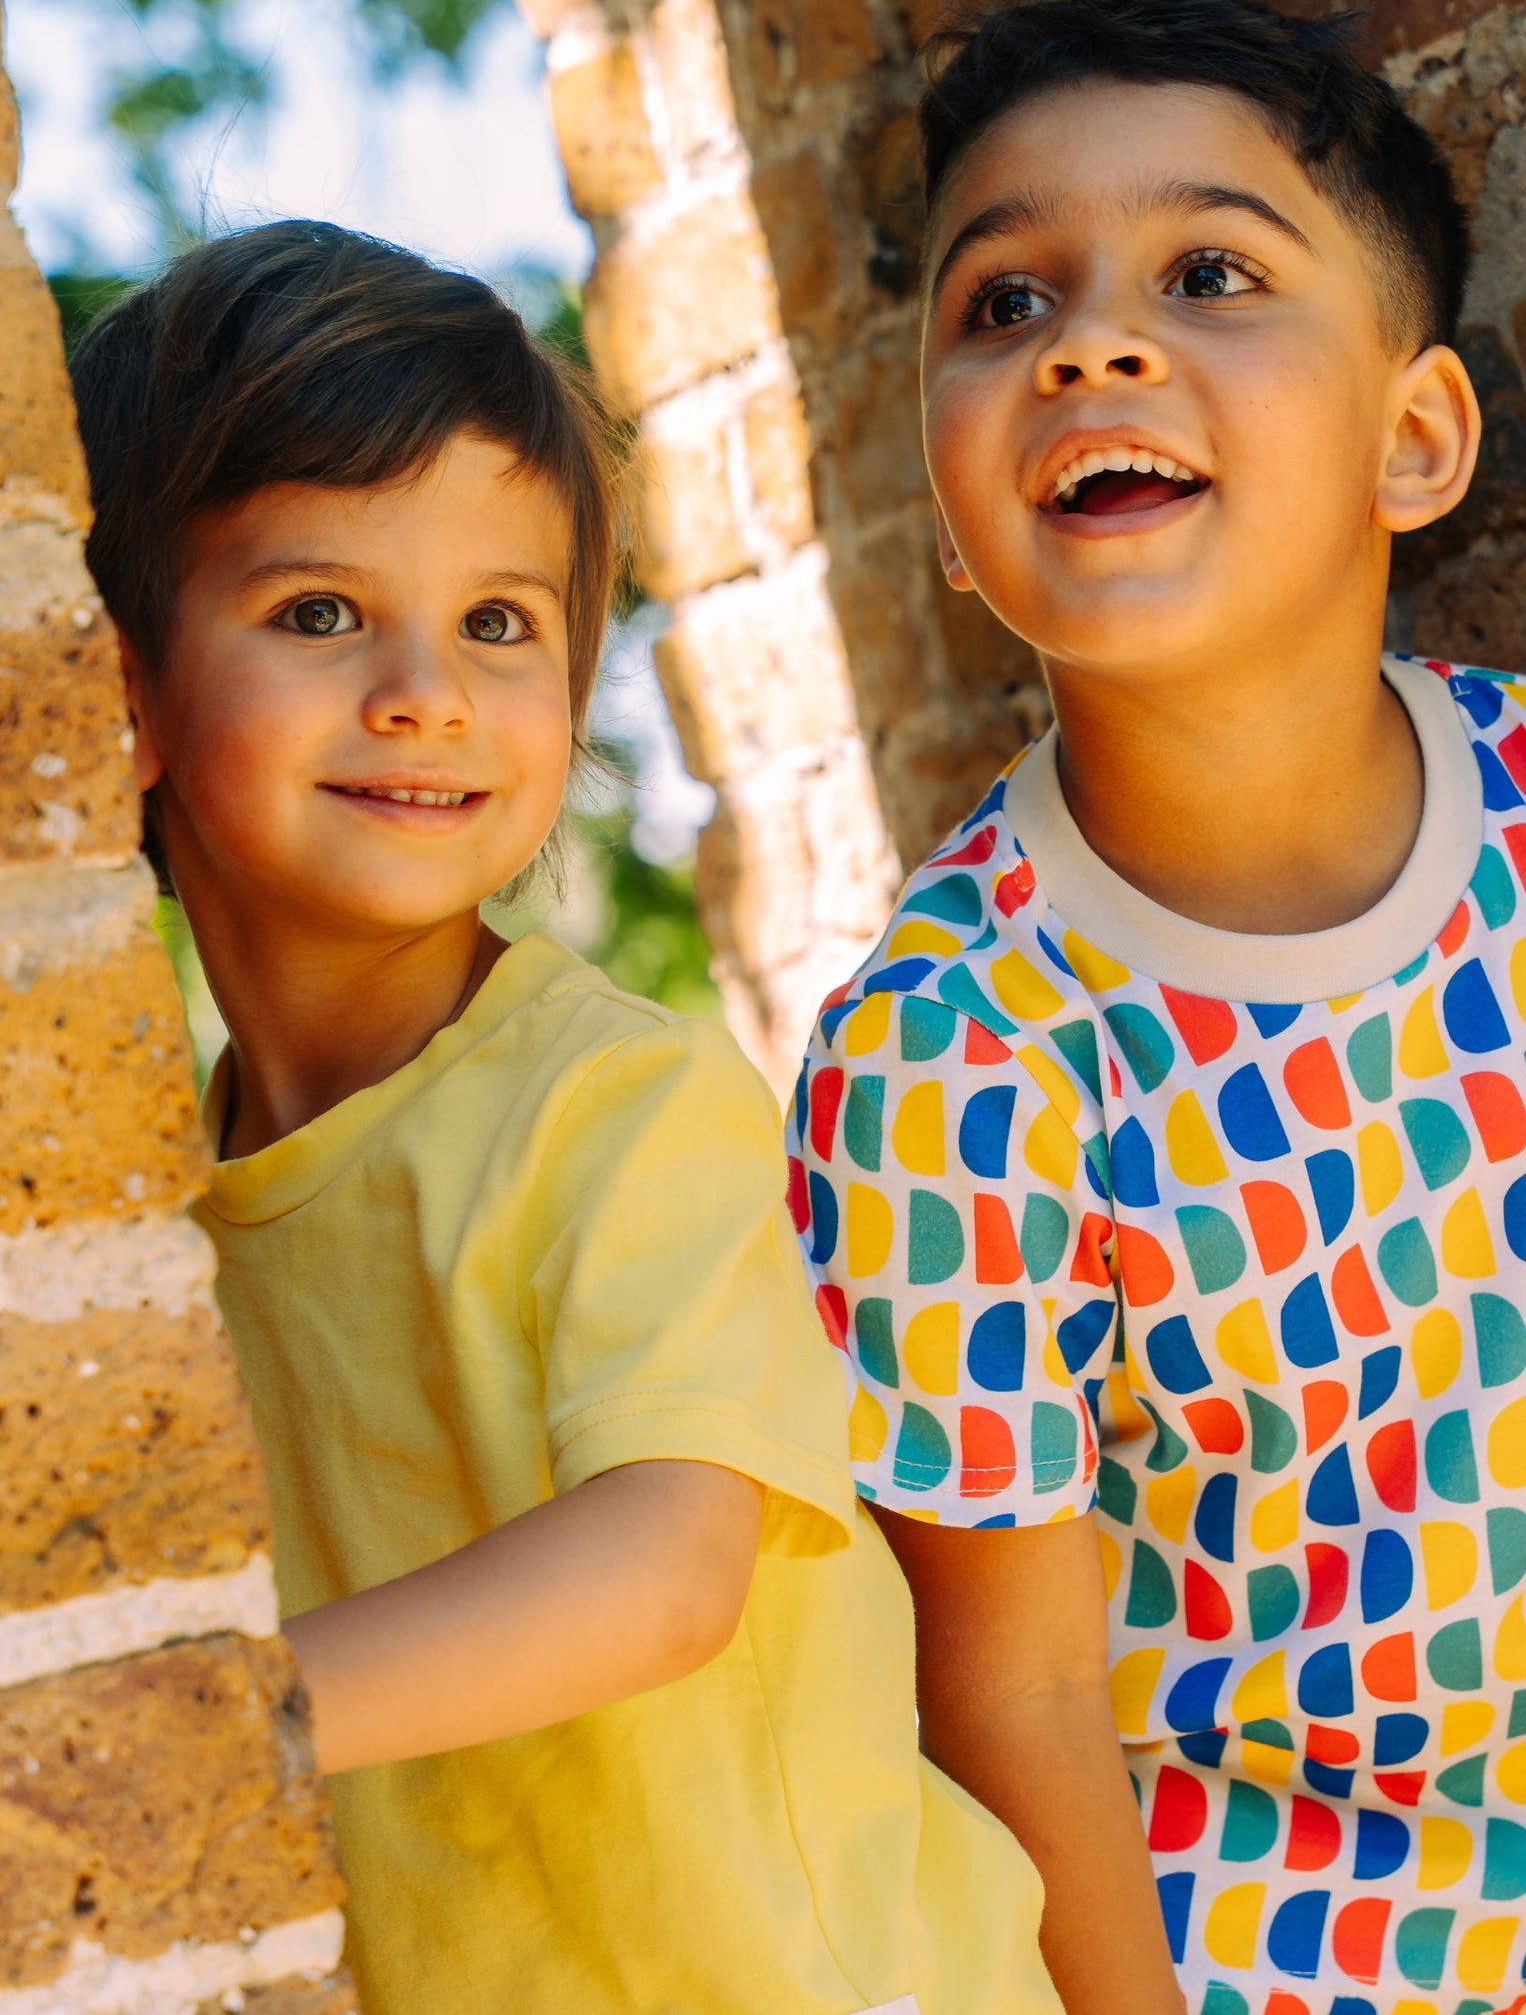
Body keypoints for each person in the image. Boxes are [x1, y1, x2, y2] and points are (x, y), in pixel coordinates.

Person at [788, 0, 1526, 2015]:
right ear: (948, 493)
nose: (1086, 341)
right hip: (1231, 1966)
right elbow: (1019, 1686)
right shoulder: (944, 1056)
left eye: (1207, 270)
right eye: (1002, 306)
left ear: (1410, 438)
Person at [70, 220, 1060, 2015]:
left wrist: (215, 1719)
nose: (423, 691)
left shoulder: (617, 1105)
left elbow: (665, 1566)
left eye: (501, 623)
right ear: (125, 688)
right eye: (317, 612)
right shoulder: (140, 1237)